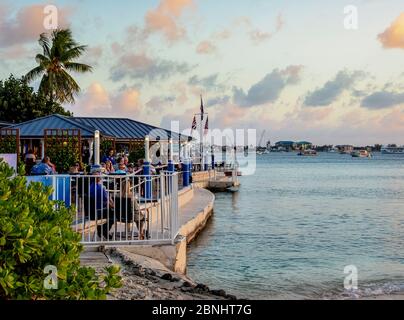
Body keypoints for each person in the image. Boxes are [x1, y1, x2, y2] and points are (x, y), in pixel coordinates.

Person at [89, 166, 115, 240]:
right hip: (99, 211)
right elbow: (107, 202)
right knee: (114, 216)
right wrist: (114, 206)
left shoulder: (90, 187)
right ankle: (104, 231)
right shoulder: (100, 188)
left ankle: (101, 230)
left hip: (91, 212)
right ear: (99, 178)